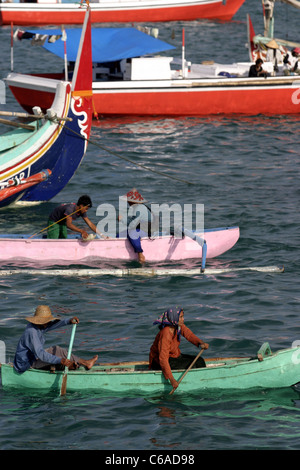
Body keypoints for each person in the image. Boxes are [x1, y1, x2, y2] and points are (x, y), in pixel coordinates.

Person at [13, 305, 98, 374]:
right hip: (26, 364)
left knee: (57, 350)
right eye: (47, 321)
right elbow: (41, 354)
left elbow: (53, 325)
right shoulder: (32, 332)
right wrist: (60, 360)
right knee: (58, 359)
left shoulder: (38, 326)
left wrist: (68, 321)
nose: (48, 323)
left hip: (34, 358)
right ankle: (71, 365)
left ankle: (85, 363)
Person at [149, 306, 209, 390]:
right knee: (194, 365)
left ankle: (201, 382)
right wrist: (172, 379)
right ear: (174, 318)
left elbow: (189, 334)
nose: (183, 319)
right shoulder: (166, 333)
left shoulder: (178, 326)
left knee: (200, 361)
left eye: (182, 317)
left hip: (174, 356)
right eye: (180, 317)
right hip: (159, 362)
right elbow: (163, 358)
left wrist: (200, 343)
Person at [119, 188, 156, 263]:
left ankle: (140, 254)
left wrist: (121, 220)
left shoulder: (138, 208)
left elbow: (132, 225)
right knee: (119, 235)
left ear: (131, 201)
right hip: (141, 229)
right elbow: (131, 221)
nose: (127, 202)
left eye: (128, 200)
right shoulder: (137, 207)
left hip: (146, 231)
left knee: (132, 233)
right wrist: (122, 219)